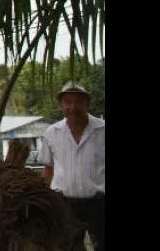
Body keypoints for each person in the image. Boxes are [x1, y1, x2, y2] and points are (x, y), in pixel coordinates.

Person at [39, 82, 105, 251]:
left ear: (87, 104)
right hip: (65, 205)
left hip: (99, 204)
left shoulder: (102, 130)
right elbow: (48, 170)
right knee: (67, 246)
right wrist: (48, 200)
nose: (73, 107)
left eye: (78, 102)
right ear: (61, 105)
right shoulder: (52, 133)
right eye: (67, 102)